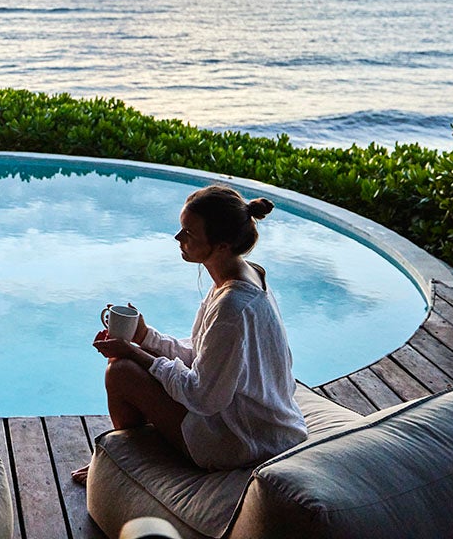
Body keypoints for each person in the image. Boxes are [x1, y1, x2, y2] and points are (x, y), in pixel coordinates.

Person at [73, 184, 306, 484]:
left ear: (221, 244)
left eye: (189, 233)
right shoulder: (246, 274)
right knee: (134, 360)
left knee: (119, 371)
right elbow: (204, 354)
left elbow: (203, 397)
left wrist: (135, 353)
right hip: (263, 423)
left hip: (243, 442)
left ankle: (116, 464)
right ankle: (124, 456)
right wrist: (146, 338)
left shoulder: (232, 306)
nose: (178, 238)